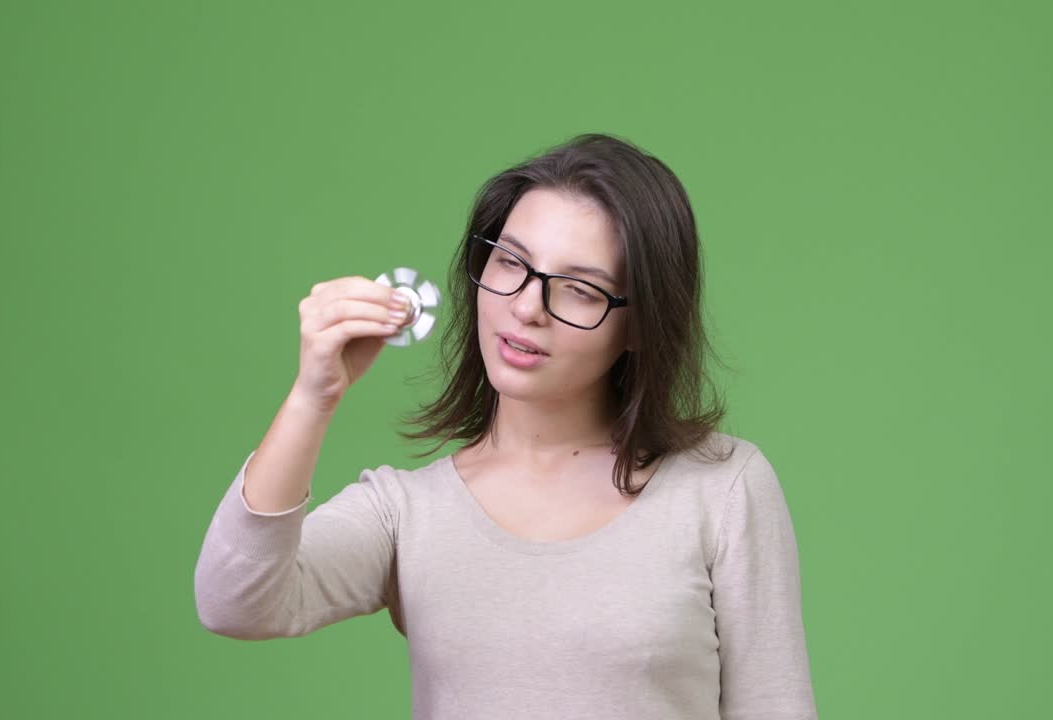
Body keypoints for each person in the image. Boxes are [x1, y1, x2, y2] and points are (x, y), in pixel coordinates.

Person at [194, 133, 819, 719]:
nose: (525, 307)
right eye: (510, 262)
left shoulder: (723, 487)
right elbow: (237, 600)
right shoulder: (407, 512)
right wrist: (314, 395)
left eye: (579, 288)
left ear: (640, 324)